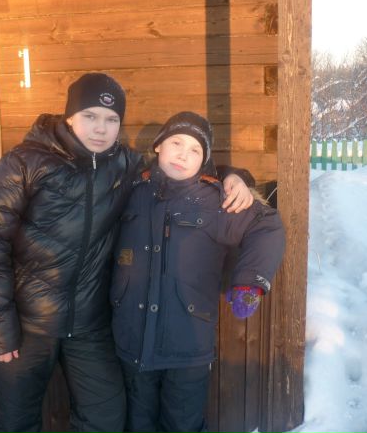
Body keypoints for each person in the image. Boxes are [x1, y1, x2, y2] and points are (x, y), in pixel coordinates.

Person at [0, 73, 254, 433]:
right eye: (90, 116)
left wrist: (234, 175)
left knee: (105, 420)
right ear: (70, 116)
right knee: (15, 424)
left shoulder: (126, 165)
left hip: (89, 324)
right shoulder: (24, 163)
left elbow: (180, 169)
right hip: (27, 324)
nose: (101, 128)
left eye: (111, 119)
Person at [110, 111, 286, 432]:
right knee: (137, 424)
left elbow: (267, 225)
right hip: (131, 341)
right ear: (159, 145)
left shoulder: (217, 201)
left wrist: (250, 283)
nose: (183, 155)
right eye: (176, 143)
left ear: (203, 160)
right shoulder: (132, 191)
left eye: (195, 150)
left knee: (183, 426)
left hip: (187, 349)